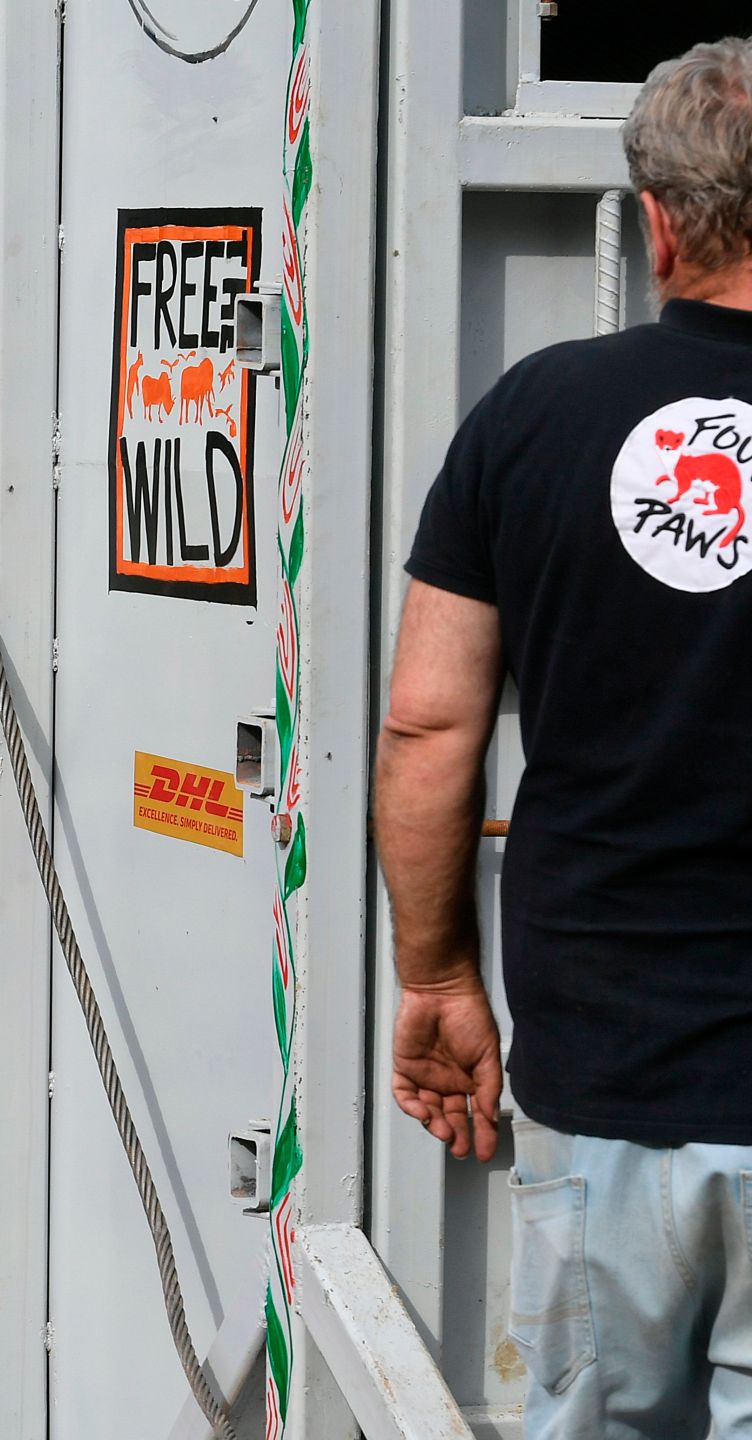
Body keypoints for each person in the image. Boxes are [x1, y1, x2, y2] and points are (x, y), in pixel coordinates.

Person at [377, 37, 752, 1440]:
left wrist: (436, 977)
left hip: (609, 1078)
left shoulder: (533, 418)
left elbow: (426, 727)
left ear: (654, 224)